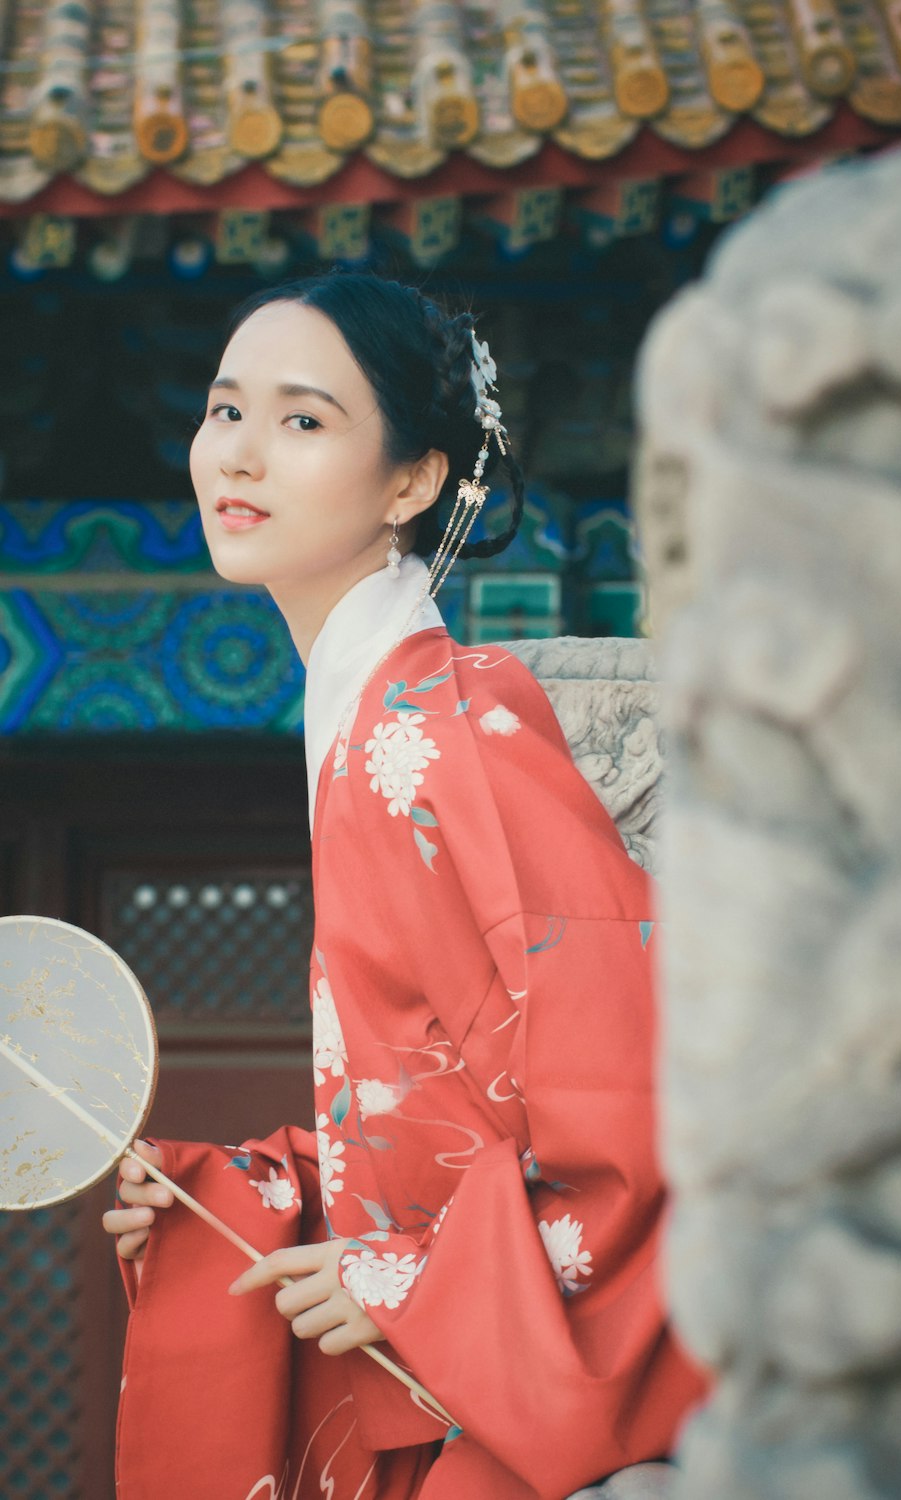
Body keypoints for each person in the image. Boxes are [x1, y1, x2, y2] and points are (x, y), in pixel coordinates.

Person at [103, 272, 707, 1499]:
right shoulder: (373, 725)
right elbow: (445, 1117)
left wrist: (406, 1281)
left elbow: (630, 1101)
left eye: (304, 420)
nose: (242, 454)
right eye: (225, 410)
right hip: (446, 1378)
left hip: (484, 1414)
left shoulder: (445, 731)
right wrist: (248, 1192)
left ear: (413, 481)